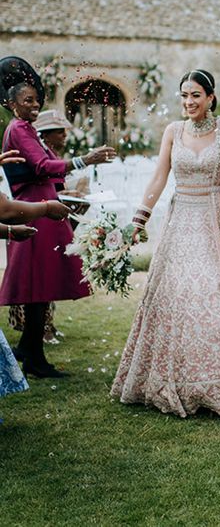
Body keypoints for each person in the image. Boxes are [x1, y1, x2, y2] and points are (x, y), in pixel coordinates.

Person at [112, 70, 220, 417]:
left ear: (211, 97)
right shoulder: (173, 131)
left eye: (196, 95)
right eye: (184, 96)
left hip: (214, 216)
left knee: (216, 288)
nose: (189, 102)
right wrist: (140, 217)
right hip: (181, 222)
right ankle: (181, 379)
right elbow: (160, 175)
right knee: (178, 293)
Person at [0, 56, 115, 378]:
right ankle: (35, 359)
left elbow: (47, 168)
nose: (34, 106)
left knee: (43, 284)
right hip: (35, 209)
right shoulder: (19, 129)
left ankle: (28, 346)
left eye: (37, 100)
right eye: (28, 101)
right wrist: (84, 160)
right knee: (40, 285)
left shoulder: (26, 129)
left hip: (44, 204)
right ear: (11, 104)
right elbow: (40, 167)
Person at [8, 109, 89, 343]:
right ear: (46, 134)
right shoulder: (35, 152)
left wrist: (67, 194)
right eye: (59, 131)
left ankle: (43, 329)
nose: (65, 135)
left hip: (46, 215)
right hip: (33, 215)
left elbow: (54, 188)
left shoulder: (48, 152)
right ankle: (33, 332)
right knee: (34, 280)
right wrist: (86, 160)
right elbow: (42, 177)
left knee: (47, 279)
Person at [0, 149, 71, 413]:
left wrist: (8, 231)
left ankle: (30, 351)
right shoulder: (18, 130)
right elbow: (3, 208)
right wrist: (45, 207)